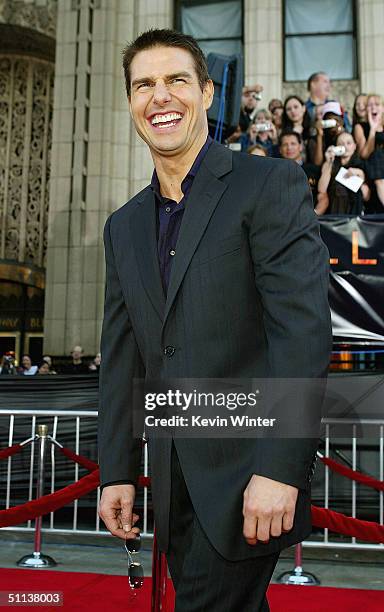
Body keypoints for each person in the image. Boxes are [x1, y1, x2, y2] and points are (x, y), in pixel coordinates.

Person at [98, 29, 331, 612]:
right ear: (130, 102)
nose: (160, 96)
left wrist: (280, 468)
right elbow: (123, 353)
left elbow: (299, 335)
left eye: (176, 80)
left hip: (247, 473)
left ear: (206, 93)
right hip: (172, 481)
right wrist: (117, 471)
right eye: (143, 84)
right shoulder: (122, 227)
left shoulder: (267, 185)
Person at [316, 131, 370, 215]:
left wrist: (358, 174)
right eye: (341, 144)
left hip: (355, 207)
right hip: (335, 205)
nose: (345, 146)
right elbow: (321, 189)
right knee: (339, 188)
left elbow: (367, 195)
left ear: (355, 146)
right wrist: (329, 162)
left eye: (349, 143)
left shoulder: (361, 164)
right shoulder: (330, 163)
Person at [354, 93, 384, 207]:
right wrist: (372, 129)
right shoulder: (360, 127)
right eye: (370, 105)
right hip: (373, 168)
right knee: (377, 155)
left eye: (377, 104)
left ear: (383, 108)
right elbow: (364, 154)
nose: (373, 107)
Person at [279, 130, 320, 201]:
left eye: (293, 144)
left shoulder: (314, 170)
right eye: (285, 144)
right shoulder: (275, 173)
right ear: (280, 149)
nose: (289, 148)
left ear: (300, 147)